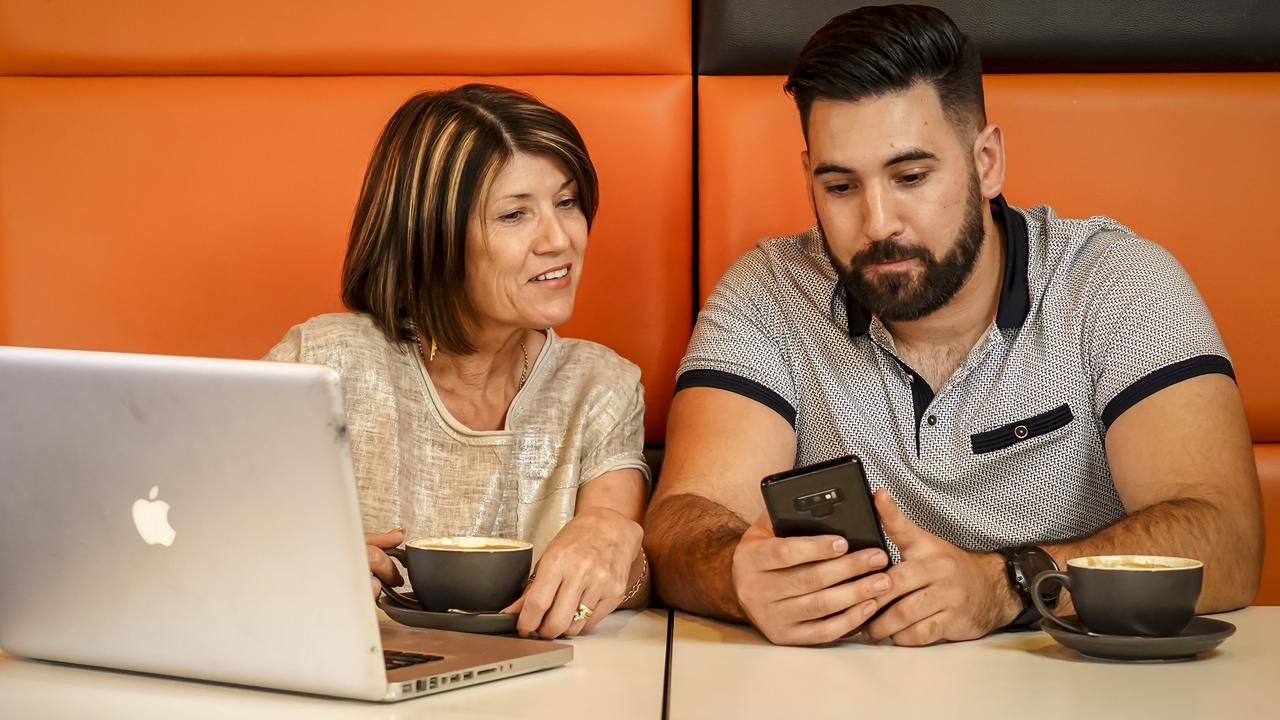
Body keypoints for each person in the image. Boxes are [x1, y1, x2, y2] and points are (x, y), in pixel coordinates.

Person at [643, 5, 1262, 647]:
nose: (878, 222)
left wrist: (1007, 586)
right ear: (808, 181)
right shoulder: (769, 290)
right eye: (841, 187)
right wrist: (736, 576)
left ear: (987, 161)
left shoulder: (1119, 283)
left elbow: (1226, 537)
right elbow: (681, 522)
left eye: (911, 176)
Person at [265, 84, 650, 639]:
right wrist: (300, 557)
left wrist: (616, 540)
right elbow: (216, 529)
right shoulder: (322, 362)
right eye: (515, 214)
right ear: (431, 235)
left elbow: (624, 561)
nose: (560, 239)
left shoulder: (601, 385)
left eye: (566, 203)